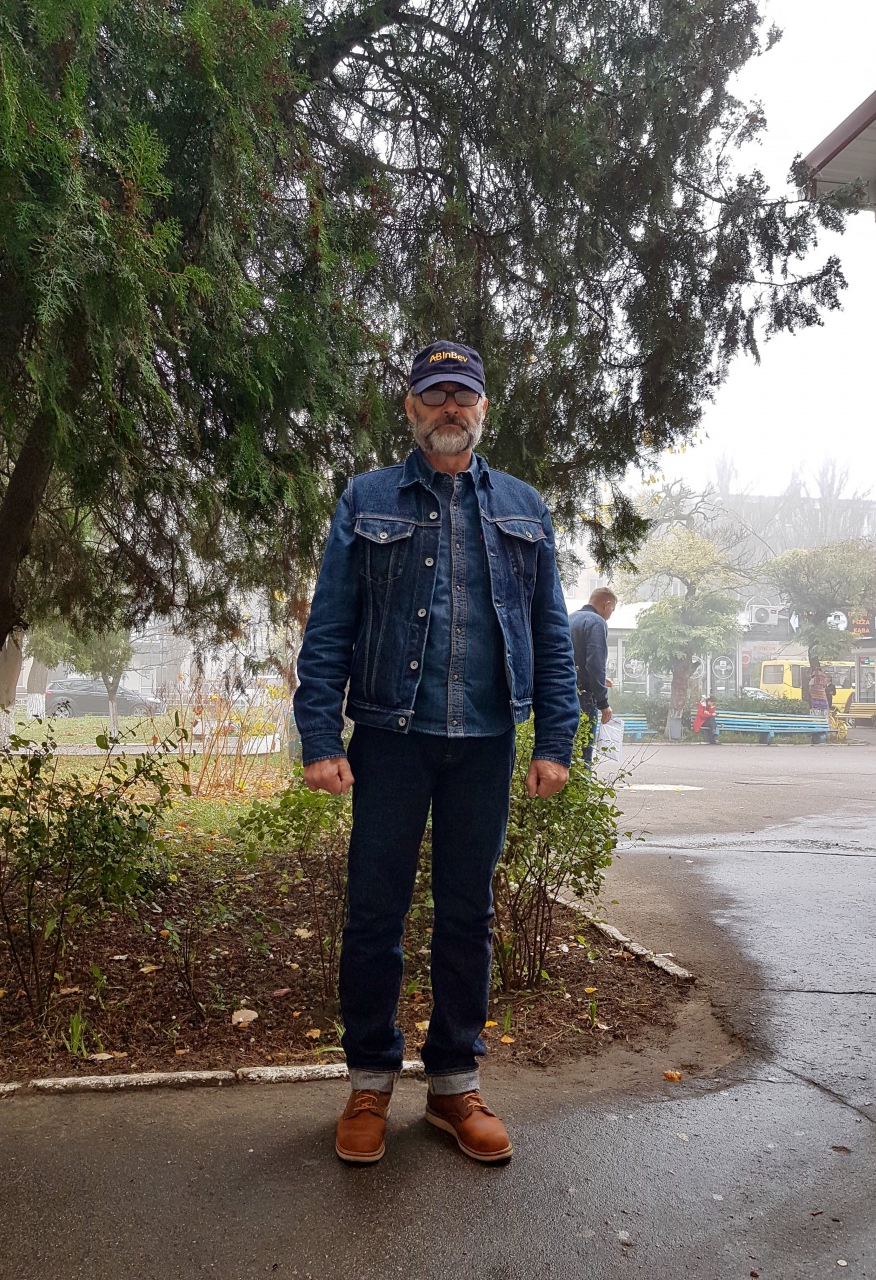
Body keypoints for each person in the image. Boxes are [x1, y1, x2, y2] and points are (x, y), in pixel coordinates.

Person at [293, 340, 579, 1165]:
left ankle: (455, 1085)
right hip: (391, 739)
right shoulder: (368, 498)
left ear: (483, 408)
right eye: (435, 394)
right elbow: (331, 624)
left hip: (486, 742)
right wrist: (321, 736)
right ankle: (369, 1085)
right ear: (412, 408)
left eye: (463, 395)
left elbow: (550, 635)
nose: (450, 408)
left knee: (467, 916)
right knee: (374, 914)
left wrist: (554, 739)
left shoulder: (523, 506)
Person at [568, 588, 617, 762]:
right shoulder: (596, 622)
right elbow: (595, 663)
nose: (610, 614)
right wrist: (603, 703)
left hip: (564, 692)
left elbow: (574, 659)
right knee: (583, 753)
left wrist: (600, 680)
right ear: (607, 604)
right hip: (584, 697)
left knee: (568, 750)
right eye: (612, 610)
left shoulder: (570, 619)